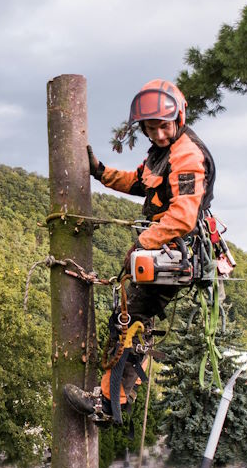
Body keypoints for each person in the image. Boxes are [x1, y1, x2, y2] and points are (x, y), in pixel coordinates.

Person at [63, 78, 215, 422]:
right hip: (166, 250)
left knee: (130, 319)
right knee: (130, 315)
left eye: (163, 126)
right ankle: (112, 396)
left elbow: (183, 216)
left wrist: (145, 242)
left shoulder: (187, 155)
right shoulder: (161, 153)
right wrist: (101, 173)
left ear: (178, 118)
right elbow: (137, 181)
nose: (158, 134)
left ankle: (109, 401)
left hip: (175, 250)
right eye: (151, 128)